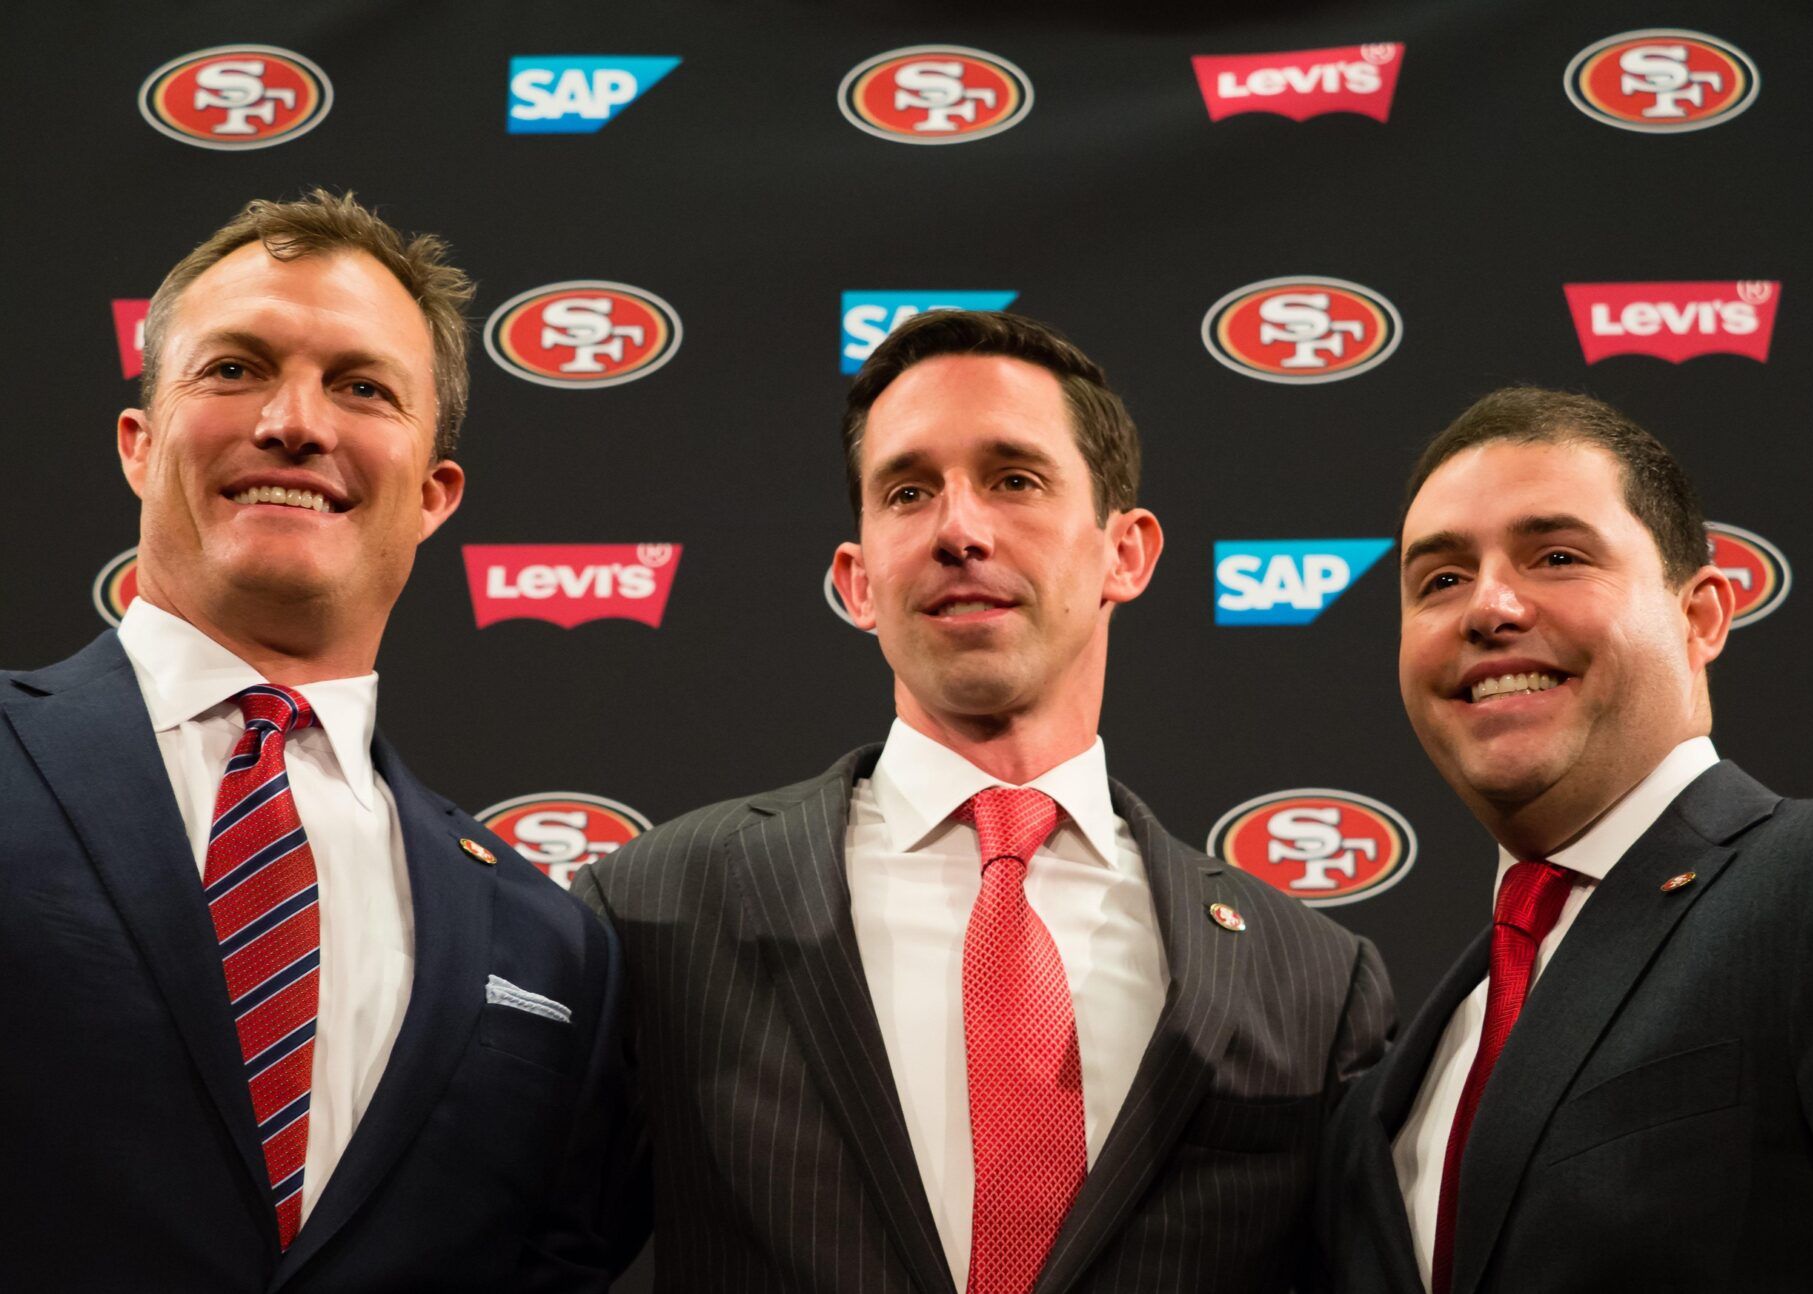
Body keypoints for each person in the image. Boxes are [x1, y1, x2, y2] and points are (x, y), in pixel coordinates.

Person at [575, 309, 1393, 1294]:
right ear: (857, 579)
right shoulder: (658, 912)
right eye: (909, 490)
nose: (960, 530)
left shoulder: (1308, 978)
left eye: (1014, 479)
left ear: (1124, 553)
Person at [0, 192, 628, 1290]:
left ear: (436, 494)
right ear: (139, 446)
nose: (295, 421)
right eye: (234, 369)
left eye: (362, 386)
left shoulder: (547, 944)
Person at [1318, 387, 1813, 1293]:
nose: (1488, 608)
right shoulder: (1393, 1082)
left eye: (1556, 557)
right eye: (1439, 580)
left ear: (1703, 615)